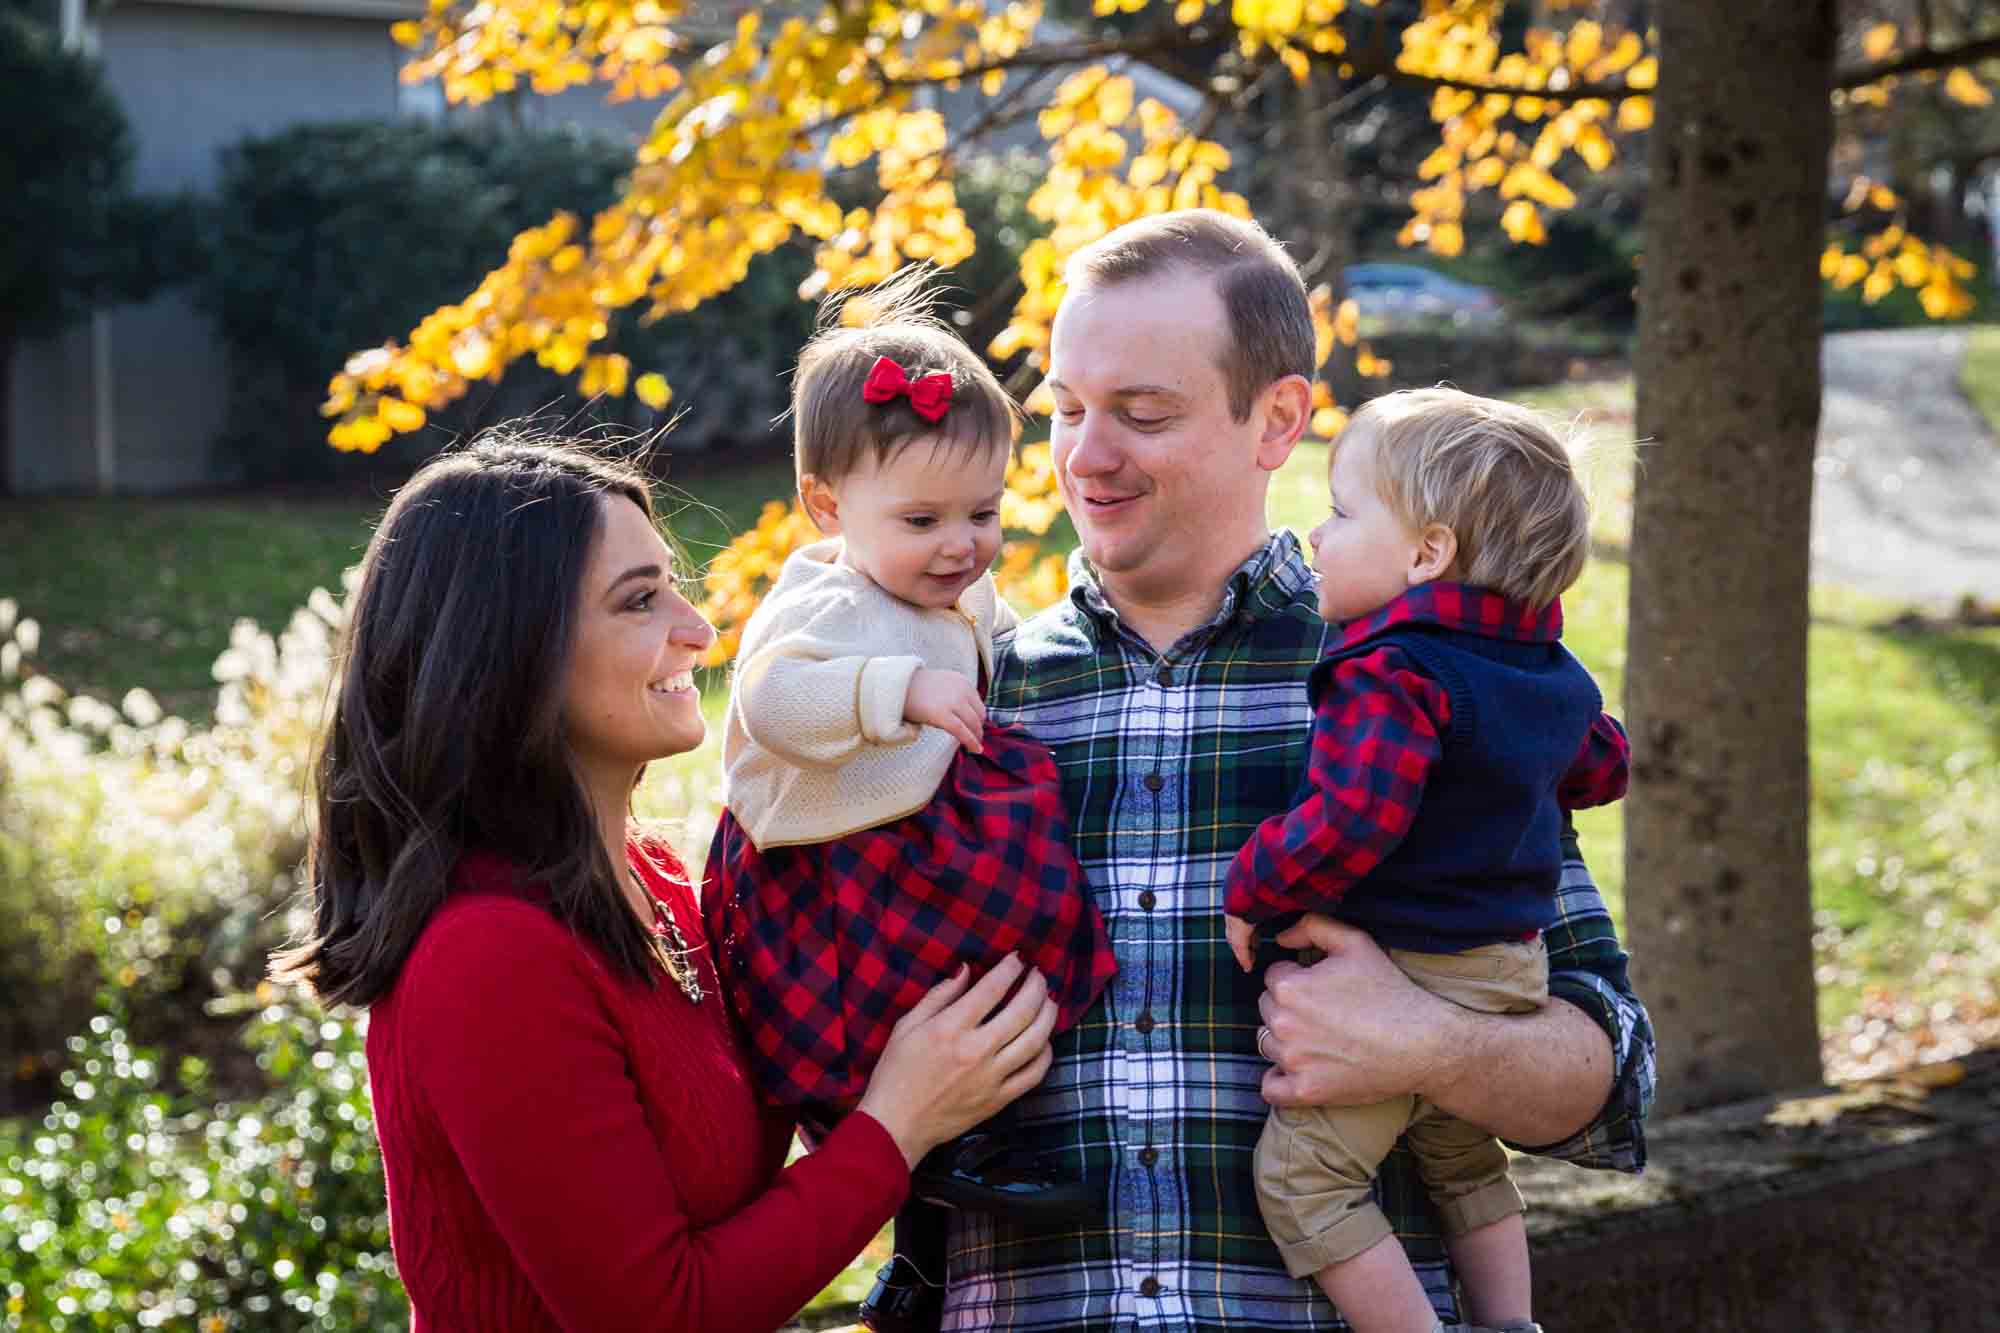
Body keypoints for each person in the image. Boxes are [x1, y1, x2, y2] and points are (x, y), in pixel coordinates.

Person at [927, 210, 1654, 1332]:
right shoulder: (975, 701)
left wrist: (1428, 1042)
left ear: (1275, 419)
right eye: (1065, 409)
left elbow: (1605, 1077)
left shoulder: (1422, 679)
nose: (1083, 454)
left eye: (1143, 412)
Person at [270, 434, 1062, 1332]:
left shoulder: (658, 882)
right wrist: (898, 1123)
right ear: (510, 655)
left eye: (672, 585)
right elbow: (658, 1312)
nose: (700, 629)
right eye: (640, 601)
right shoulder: (488, 955)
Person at [702, 273, 1116, 1219]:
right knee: (884, 1014)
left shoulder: (948, 589)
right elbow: (772, 701)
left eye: (982, 513)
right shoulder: (829, 599)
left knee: (1005, 946)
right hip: (826, 860)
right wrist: (899, 690)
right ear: (827, 507)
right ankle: (928, 1152)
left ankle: (993, 1124)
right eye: (922, 522)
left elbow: (990, 642)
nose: (960, 546)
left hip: (905, 834)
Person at [1219, 387, 1631, 1333]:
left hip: (1413, 961)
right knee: (1464, 1162)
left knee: (1305, 1183)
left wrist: (1256, 884)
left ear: (1426, 553)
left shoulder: (1390, 670)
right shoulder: (1551, 674)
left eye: (1341, 511)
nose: (1315, 537)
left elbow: (1354, 815)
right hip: (1507, 972)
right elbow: (1602, 763)